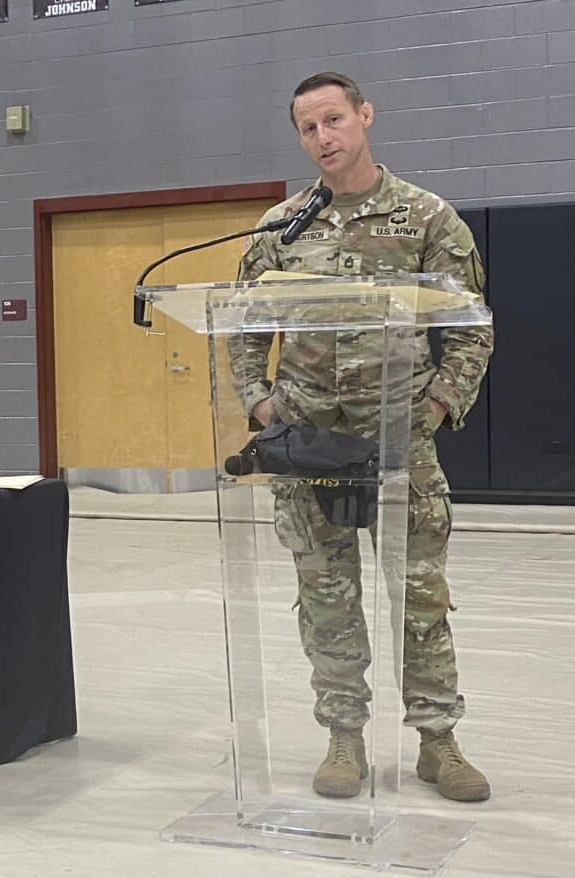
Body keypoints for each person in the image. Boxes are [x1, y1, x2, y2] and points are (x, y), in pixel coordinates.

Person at [233, 72, 494, 802]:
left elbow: (471, 325)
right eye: (308, 128)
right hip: (310, 444)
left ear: (364, 116)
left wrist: (438, 405)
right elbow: (243, 326)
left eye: (334, 120)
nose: (323, 137)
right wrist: (261, 403)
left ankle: (438, 742)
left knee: (420, 595)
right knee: (326, 594)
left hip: (399, 441)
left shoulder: (427, 218)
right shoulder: (281, 227)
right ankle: (343, 738)